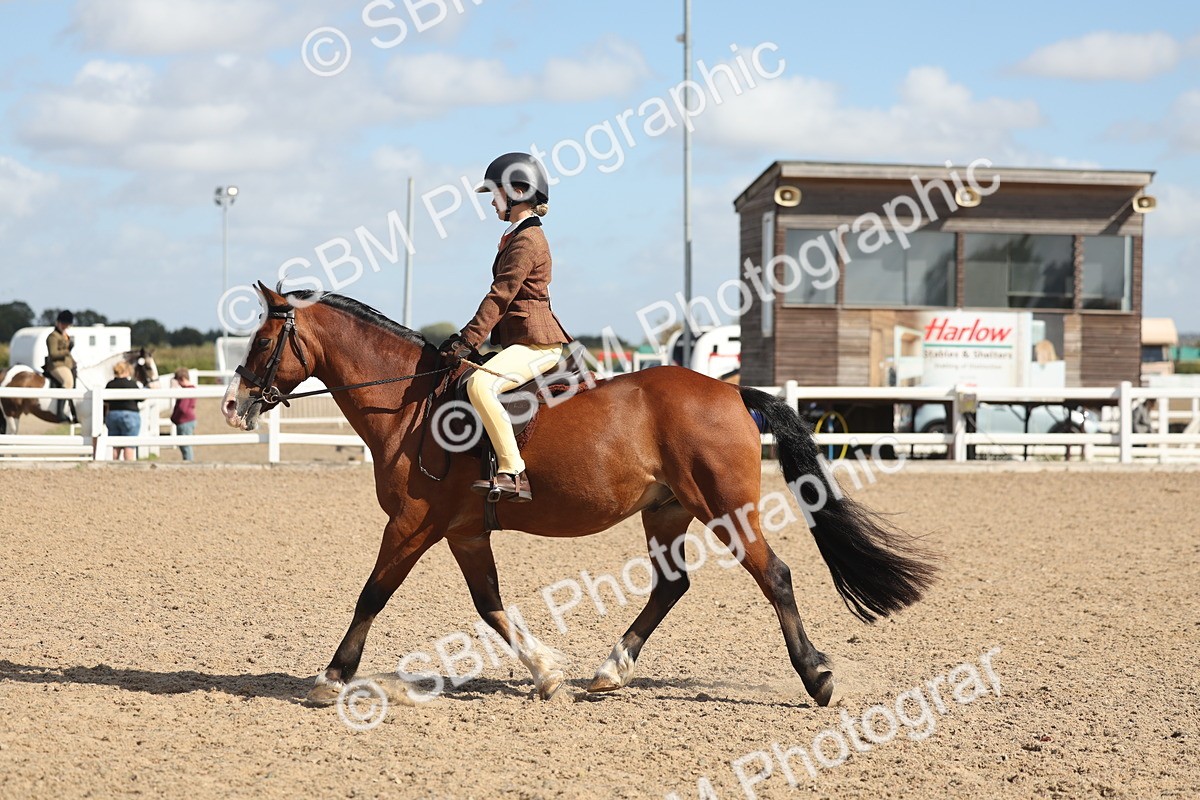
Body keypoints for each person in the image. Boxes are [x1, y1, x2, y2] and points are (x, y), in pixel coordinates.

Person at [438, 152, 572, 502]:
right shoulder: (516, 235)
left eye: (495, 194)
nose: (491, 202)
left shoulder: (527, 240)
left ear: (517, 192)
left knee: (481, 385)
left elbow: (501, 294)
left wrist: (467, 340)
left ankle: (513, 472)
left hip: (538, 344)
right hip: (521, 340)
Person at [44, 310, 77, 422]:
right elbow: (53, 354)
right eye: (63, 324)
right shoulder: (53, 337)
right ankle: (60, 412)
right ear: (58, 323)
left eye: (67, 324)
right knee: (68, 382)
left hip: (67, 365)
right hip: (56, 365)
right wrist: (67, 350)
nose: (65, 326)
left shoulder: (65, 336)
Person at [104, 360, 140, 461]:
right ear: (126, 371)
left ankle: (115, 465)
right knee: (129, 445)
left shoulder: (110, 384)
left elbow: (106, 401)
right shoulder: (132, 384)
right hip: (130, 415)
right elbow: (141, 398)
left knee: (116, 446)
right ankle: (128, 466)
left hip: (113, 415)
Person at [170, 368, 198, 461]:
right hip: (187, 421)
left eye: (178, 380)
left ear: (182, 379)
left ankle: (189, 463)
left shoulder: (187, 390)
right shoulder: (191, 389)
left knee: (185, 446)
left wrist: (175, 416)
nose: (178, 383)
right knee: (185, 445)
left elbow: (182, 408)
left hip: (185, 421)